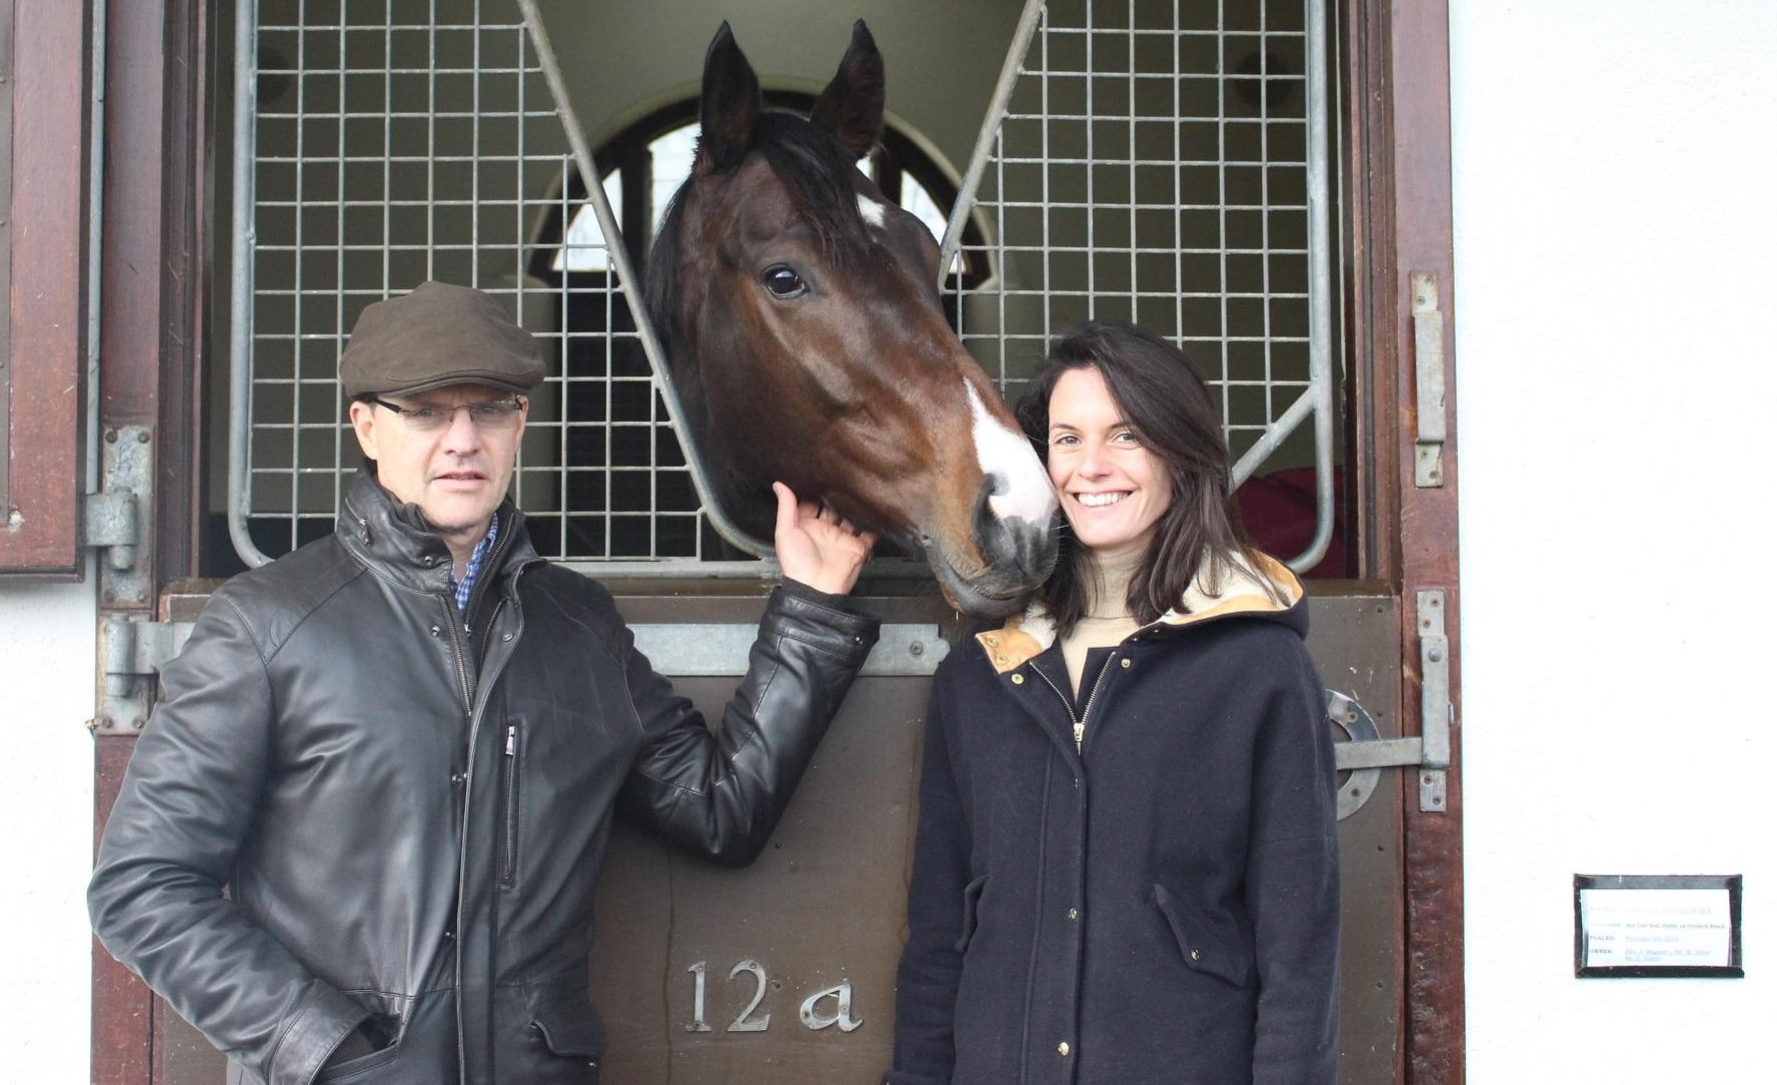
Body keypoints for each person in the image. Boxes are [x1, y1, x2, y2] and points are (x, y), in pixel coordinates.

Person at [89, 280, 878, 1085]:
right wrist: (319, 1044)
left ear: (520, 423)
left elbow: (721, 808)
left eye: (490, 409)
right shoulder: (267, 622)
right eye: (427, 411)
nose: (463, 438)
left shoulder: (578, 626)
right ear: (367, 425)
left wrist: (811, 612)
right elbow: (141, 883)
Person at [888, 319, 1341, 1085]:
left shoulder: (1260, 667)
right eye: (1066, 438)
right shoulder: (981, 674)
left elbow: (1299, 950)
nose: (1090, 466)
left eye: (1125, 435)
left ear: (1179, 451)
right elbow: (938, 934)